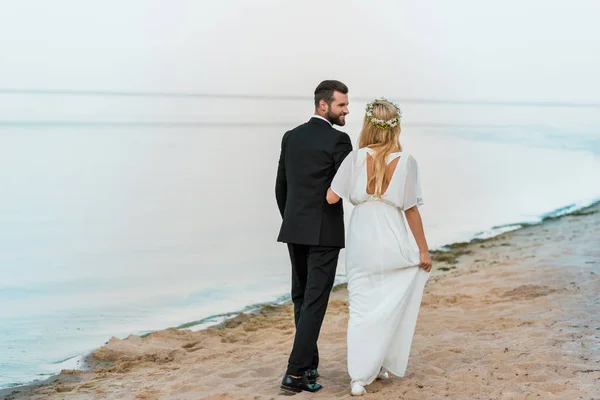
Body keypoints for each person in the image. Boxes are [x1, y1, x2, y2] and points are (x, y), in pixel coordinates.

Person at [326, 98, 432, 396]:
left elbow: (332, 198)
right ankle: (380, 364)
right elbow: (411, 210)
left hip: (361, 237)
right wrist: (423, 250)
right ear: (395, 126)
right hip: (392, 235)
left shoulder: (354, 158)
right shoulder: (407, 160)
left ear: (368, 125)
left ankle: (359, 376)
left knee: (361, 305)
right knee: (390, 299)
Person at [275, 80, 353, 393]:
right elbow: (345, 186)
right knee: (314, 302)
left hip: (294, 228)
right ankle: (295, 373)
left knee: (301, 299)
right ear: (323, 105)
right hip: (324, 232)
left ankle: (308, 368)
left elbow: (281, 187)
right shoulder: (340, 141)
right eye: (341, 105)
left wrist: (292, 219)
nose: (346, 110)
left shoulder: (291, 137)